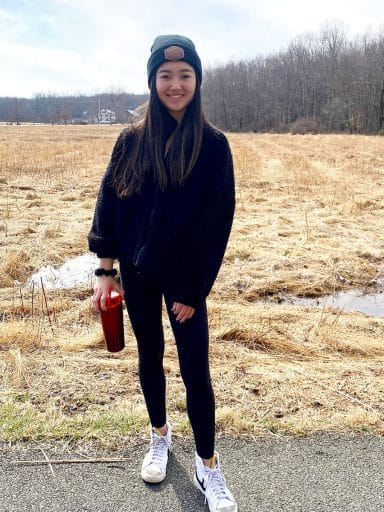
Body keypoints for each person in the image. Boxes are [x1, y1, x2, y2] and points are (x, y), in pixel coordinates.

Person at [88, 34, 237, 512]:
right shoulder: (131, 140)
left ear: (197, 80)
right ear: (153, 81)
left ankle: (207, 465)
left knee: (196, 370)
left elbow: (217, 223)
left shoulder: (213, 146)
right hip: (136, 270)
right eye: (166, 76)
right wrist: (105, 270)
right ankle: (159, 435)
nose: (176, 85)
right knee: (149, 356)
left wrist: (193, 288)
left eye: (185, 75)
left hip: (186, 278)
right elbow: (109, 203)